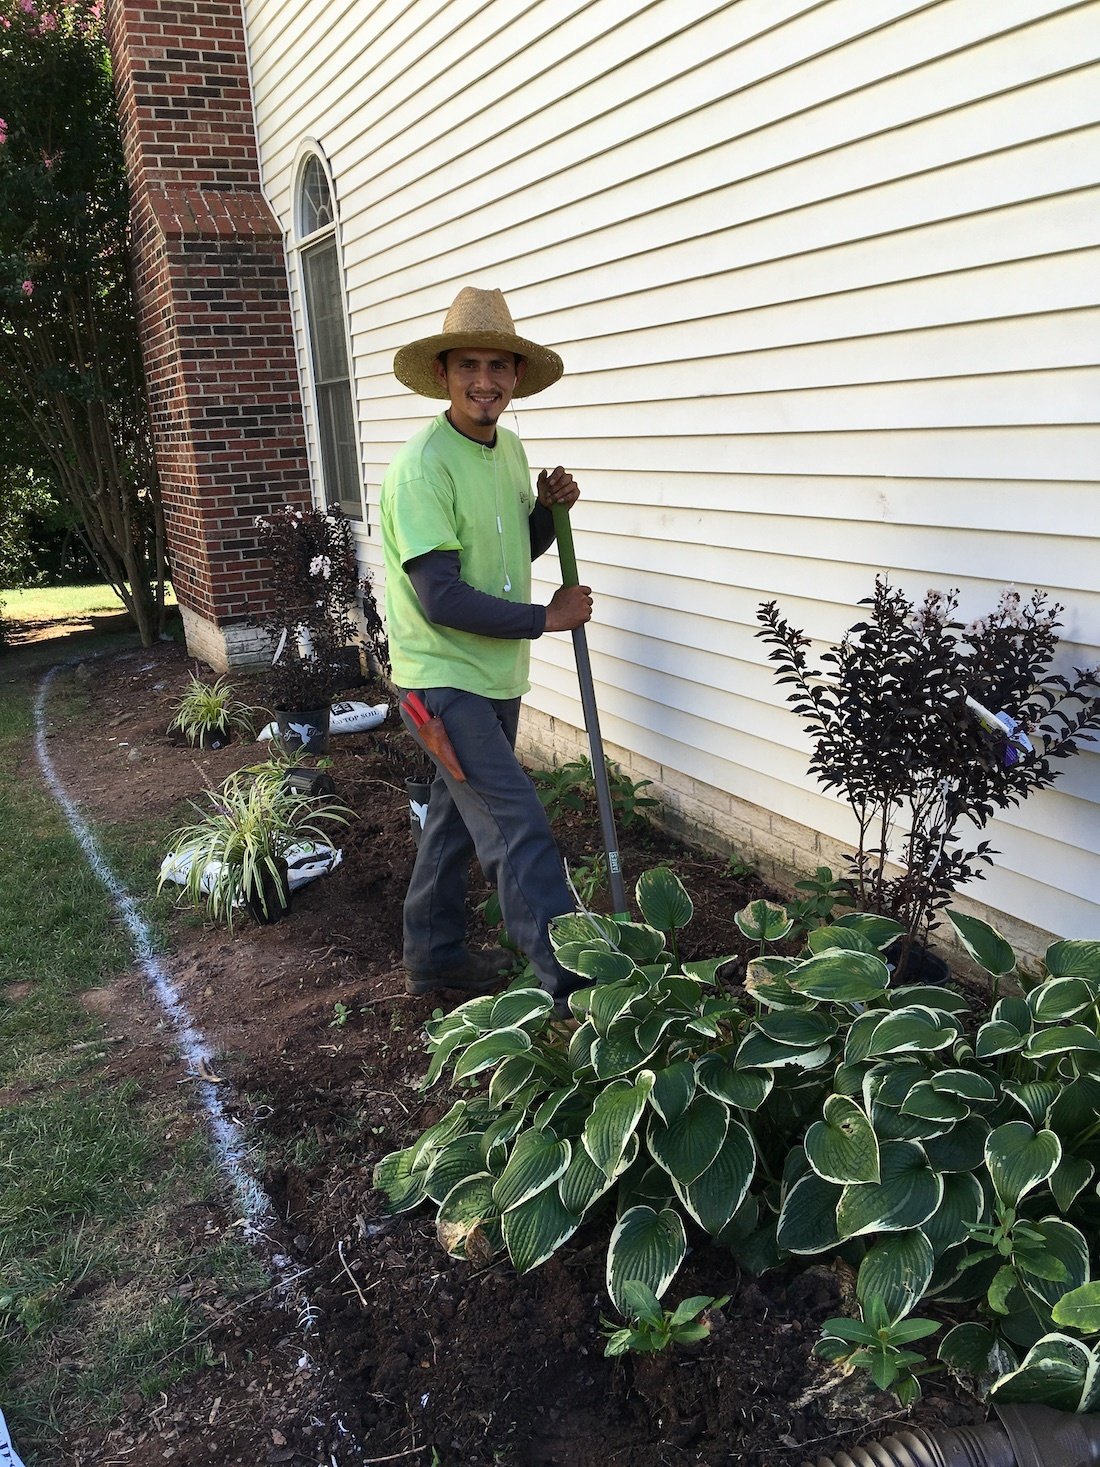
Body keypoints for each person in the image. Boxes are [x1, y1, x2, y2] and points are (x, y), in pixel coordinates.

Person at [379, 286, 593, 1013]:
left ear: (514, 376)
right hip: (443, 685)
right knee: (516, 825)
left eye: (498, 366)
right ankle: (576, 992)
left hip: (494, 677)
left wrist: (546, 511)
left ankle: (433, 956)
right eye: (468, 364)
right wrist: (547, 616)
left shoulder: (508, 449)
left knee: (453, 819)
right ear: (443, 373)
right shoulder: (422, 467)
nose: (485, 381)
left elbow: (505, 549)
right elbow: (441, 595)